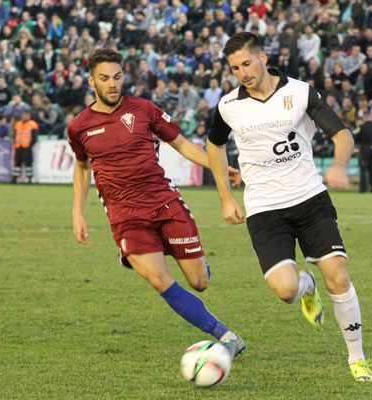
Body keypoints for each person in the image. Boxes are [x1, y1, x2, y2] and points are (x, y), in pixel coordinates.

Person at [206, 32, 372, 382]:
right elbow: (214, 145)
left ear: (263, 57)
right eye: (235, 67)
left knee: (340, 277)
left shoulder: (299, 92)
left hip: (310, 199)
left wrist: (340, 165)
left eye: (247, 63)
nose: (243, 72)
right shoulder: (228, 106)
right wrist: (225, 196)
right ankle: (306, 286)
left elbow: (342, 134)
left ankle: (357, 359)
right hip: (264, 210)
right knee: (285, 291)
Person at [67, 48, 246, 359]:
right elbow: (82, 167)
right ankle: (226, 336)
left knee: (199, 282)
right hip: (125, 216)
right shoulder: (79, 126)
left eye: (117, 77)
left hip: (165, 204)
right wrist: (77, 212)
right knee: (161, 280)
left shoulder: (144, 109)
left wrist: (216, 166)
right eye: (104, 78)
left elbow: (182, 145)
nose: (112, 84)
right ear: (91, 81)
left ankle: (199, 264)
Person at [10, 110, 38, 184]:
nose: (24, 116)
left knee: (28, 163)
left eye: (26, 115)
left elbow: (34, 137)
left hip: (27, 147)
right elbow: (15, 135)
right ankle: (15, 178)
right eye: (24, 115)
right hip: (18, 146)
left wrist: (30, 145)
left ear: (29, 115)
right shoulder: (18, 124)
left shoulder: (32, 124)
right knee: (17, 163)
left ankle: (29, 178)